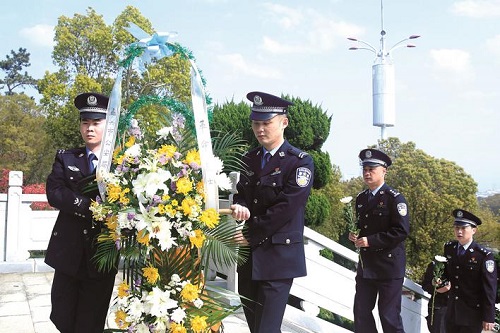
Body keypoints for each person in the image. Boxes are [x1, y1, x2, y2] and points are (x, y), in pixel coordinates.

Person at [229, 91, 314, 333]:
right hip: (250, 258)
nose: (260, 129)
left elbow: (287, 206)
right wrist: (240, 204)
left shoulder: (299, 162)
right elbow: (243, 193)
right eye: (256, 123)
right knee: (257, 328)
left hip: (278, 258)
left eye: (266, 123)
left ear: (283, 122)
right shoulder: (250, 159)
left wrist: (253, 233)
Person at [45, 92, 117, 333]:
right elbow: (54, 192)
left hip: (101, 256)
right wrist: (91, 207)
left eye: (96, 123)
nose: (90, 129)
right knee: (62, 317)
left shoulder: (122, 164)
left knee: (91, 322)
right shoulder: (66, 158)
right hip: (69, 252)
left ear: (107, 125)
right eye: (85, 122)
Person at [348, 148, 410, 333]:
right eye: (365, 169)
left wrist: (371, 241)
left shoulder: (395, 199)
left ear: (384, 171)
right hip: (367, 266)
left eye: (371, 169)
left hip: (389, 266)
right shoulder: (361, 198)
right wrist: (353, 235)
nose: (367, 173)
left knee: (388, 316)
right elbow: (361, 226)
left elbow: (401, 231)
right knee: (361, 312)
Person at [439, 209, 497, 333]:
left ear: (473, 230)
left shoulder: (483, 255)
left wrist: (489, 316)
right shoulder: (449, 248)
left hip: (472, 314)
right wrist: (439, 282)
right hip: (452, 311)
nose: (459, 231)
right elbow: (446, 274)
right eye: (456, 228)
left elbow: (489, 288)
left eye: (463, 228)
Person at [421, 259, 448, 333]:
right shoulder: (437, 265)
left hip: (458, 311)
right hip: (439, 307)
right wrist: (437, 288)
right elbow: (425, 285)